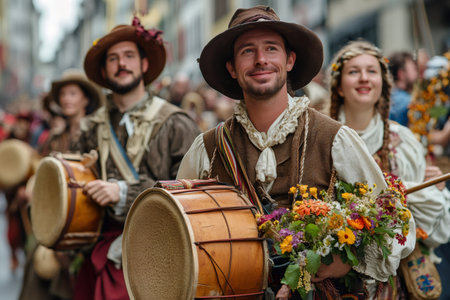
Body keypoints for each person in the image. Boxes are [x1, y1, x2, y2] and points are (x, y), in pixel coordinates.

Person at [177, 6, 415, 300]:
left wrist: (344, 261)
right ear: (232, 67)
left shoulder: (334, 138)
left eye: (271, 49)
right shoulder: (207, 149)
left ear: (289, 60)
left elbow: (395, 222)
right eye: (247, 51)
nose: (261, 59)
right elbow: (178, 233)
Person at [73, 17, 200, 300]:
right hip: (101, 250)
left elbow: (192, 191)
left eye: (129, 56)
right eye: (113, 59)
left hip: (160, 254)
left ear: (144, 65)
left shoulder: (176, 123)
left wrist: (122, 193)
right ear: (104, 71)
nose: (122, 64)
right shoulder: (89, 128)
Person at [328, 40, 450, 297]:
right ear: (339, 86)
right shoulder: (323, 140)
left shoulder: (404, 141)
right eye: (353, 71)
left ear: (382, 82)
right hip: (335, 282)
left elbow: (432, 231)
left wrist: (433, 189)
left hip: (397, 285)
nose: (364, 78)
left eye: (371, 71)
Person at [19, 69, 103, 300]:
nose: (66, 99)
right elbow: (40, 176)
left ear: (86, 98)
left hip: (90, 222)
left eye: (73, 93)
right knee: (37, 279)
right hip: (55, 221)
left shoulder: (99, 133)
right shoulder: (54, 139)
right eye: (63, 94)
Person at [388, 51, 419, 126]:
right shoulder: (408, 102)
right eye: (414, 69)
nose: (417, 74)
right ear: (401, 74)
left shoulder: (391, 96)